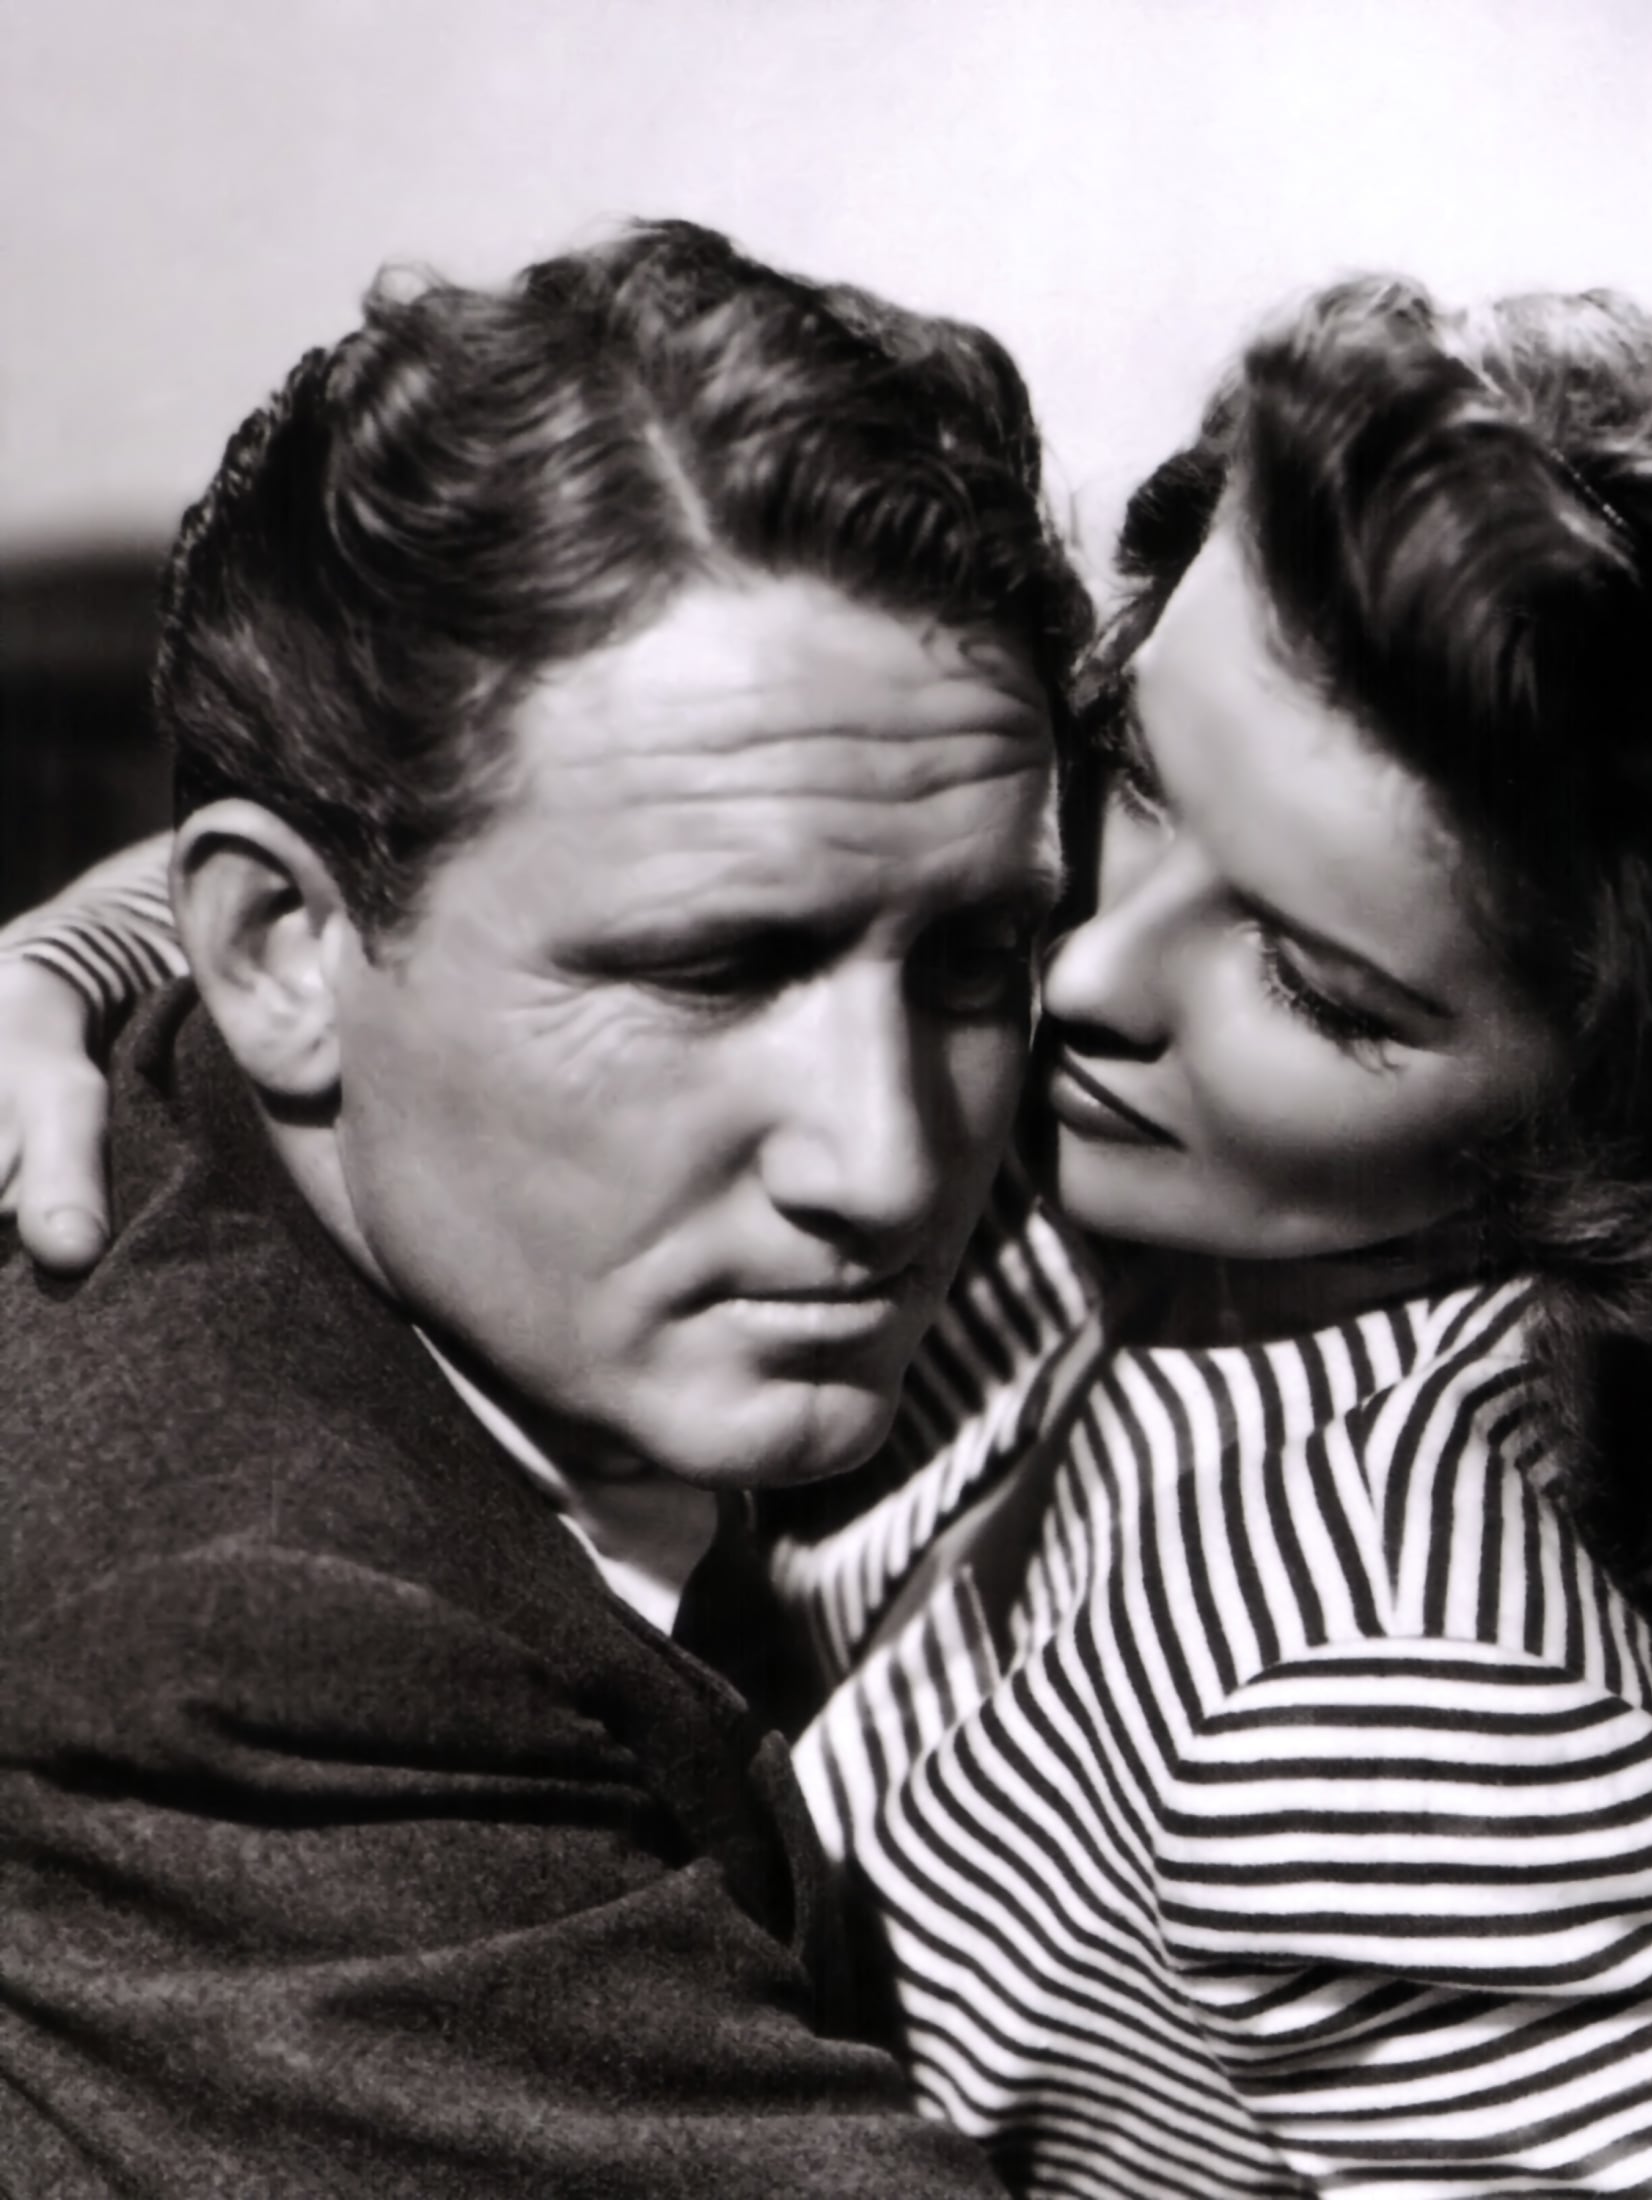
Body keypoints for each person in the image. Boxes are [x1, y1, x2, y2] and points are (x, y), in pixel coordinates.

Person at [5, 279, 1652, 2197]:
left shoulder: (1386, 1667)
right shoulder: (1140, 1136)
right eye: (1133, 772)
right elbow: (571, 815)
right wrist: (82, 955)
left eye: (1316, 982)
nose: (1072, 988)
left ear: (1613, 1112)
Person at [0, 216, 1092, 2196]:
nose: (886, 1165)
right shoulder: (243, 1636)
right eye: (712, 972)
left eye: (974, 957)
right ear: (277, 950)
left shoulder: (452, 1122)